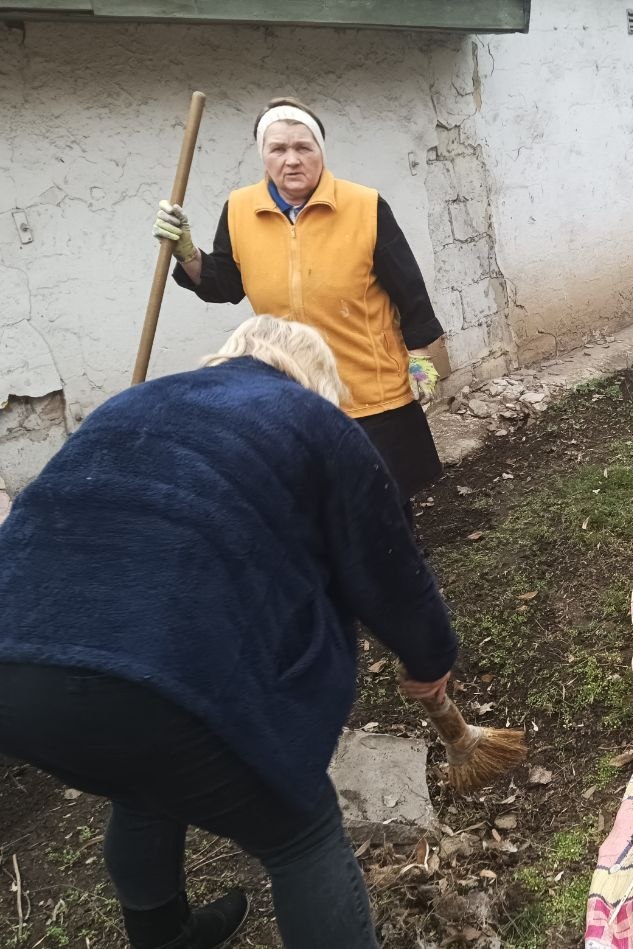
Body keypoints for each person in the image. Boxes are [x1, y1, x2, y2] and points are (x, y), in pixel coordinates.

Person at [0, 317, 458, 949]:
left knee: (141, 786)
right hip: (157, 669)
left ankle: (166, 935)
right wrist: (429, 657)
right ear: (313, 379)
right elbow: (388, 563)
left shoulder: (132, 402)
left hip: (16, 663)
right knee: (301, 834)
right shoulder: (311, 417)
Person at [153, 96, 445, 509]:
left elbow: (410, 290)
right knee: (320, 504)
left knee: (383, 504)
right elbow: (224, 285)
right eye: (278, 149)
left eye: (303, 147)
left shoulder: (364, 206)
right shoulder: (239, 211)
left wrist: (420, 357)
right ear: (264, 157)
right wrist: (187, 254)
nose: (292, 160)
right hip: (295, 390)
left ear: (320, 153)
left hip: (369, 387)